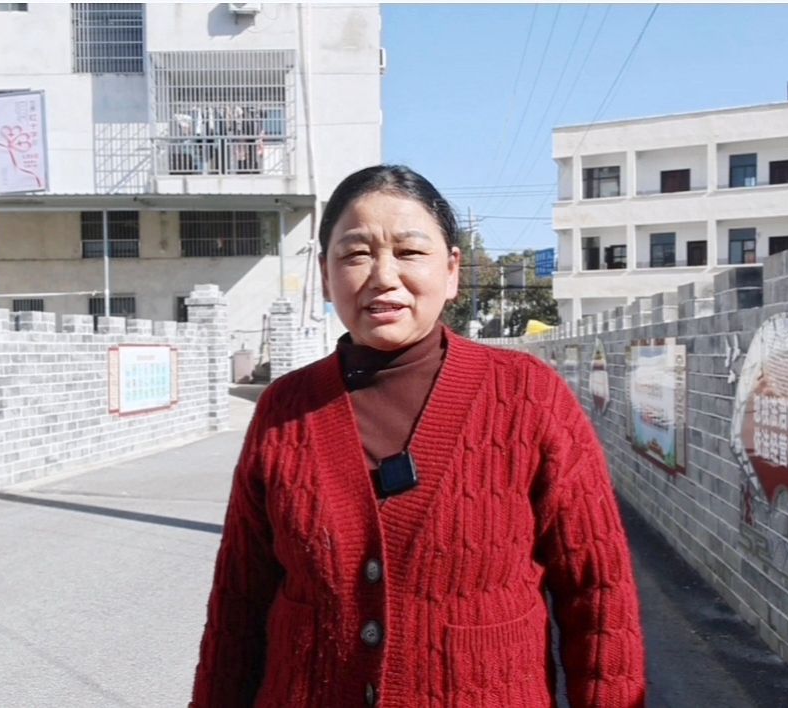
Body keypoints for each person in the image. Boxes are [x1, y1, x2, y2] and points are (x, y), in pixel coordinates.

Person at [190, 165, 646, 707]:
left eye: (409, 252)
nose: (383, 276)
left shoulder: (528, 397)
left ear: (451, 271)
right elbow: (238, 603)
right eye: (356, 254)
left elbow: (598, 596)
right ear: (325, 276)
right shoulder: (284, 410)